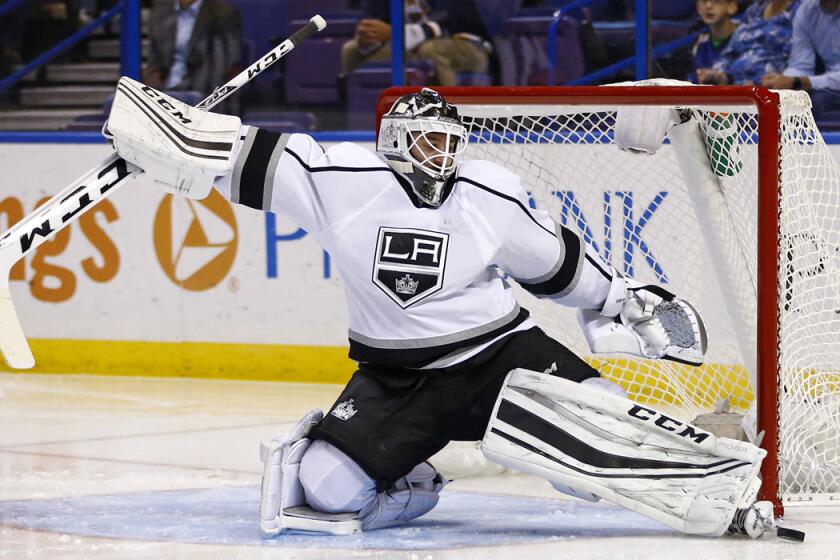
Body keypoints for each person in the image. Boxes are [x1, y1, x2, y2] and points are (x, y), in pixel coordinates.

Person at [104, 81, 773, 539]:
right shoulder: (338, 178)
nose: (442, 155)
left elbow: (555, 264)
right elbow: (230, 153)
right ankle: (422, 477)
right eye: (428, 141)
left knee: (593, 461)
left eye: (449, 142)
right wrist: (163, 146)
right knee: (325, 492)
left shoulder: (488, 191)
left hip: (501, 358)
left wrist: (618, 298)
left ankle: (718, 462)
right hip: (398, 381)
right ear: (396, 140)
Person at [341, 0, 494, 87]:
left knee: (430, 50)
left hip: (463, 41)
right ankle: (358, 121)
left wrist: (397, 33)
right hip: (409, 44)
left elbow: (453, 17)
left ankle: (451, 118)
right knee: (351, 50)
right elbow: (370, 18)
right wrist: (367, 37)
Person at [761, 0, 840, 121]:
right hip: (828, 84)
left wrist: (801, 81)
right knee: (769, 101)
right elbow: (800, 65)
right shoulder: (807, 10)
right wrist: (779, 82)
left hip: (830, 87)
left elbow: (801, 80)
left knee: (815, 102)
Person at [143, 0, 241, 96]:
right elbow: (154, 61)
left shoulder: (223, 14)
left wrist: (180, 91)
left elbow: (221, 65)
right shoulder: (160, 12)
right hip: (164, 93)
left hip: (202, 93)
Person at [697, 0, 800, 85]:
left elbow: (794, 62)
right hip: (733, 84)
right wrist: (721, 75)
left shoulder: (799, 10)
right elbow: (730, 51)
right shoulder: (755, 9)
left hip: (766, 87)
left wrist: (756, 83)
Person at [688, 0, 739, 84]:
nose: (708, 6)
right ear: (698, 8)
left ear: (732, 6)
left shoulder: (748, 40)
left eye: (717, 1)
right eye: (704, 1)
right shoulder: (696, 43)